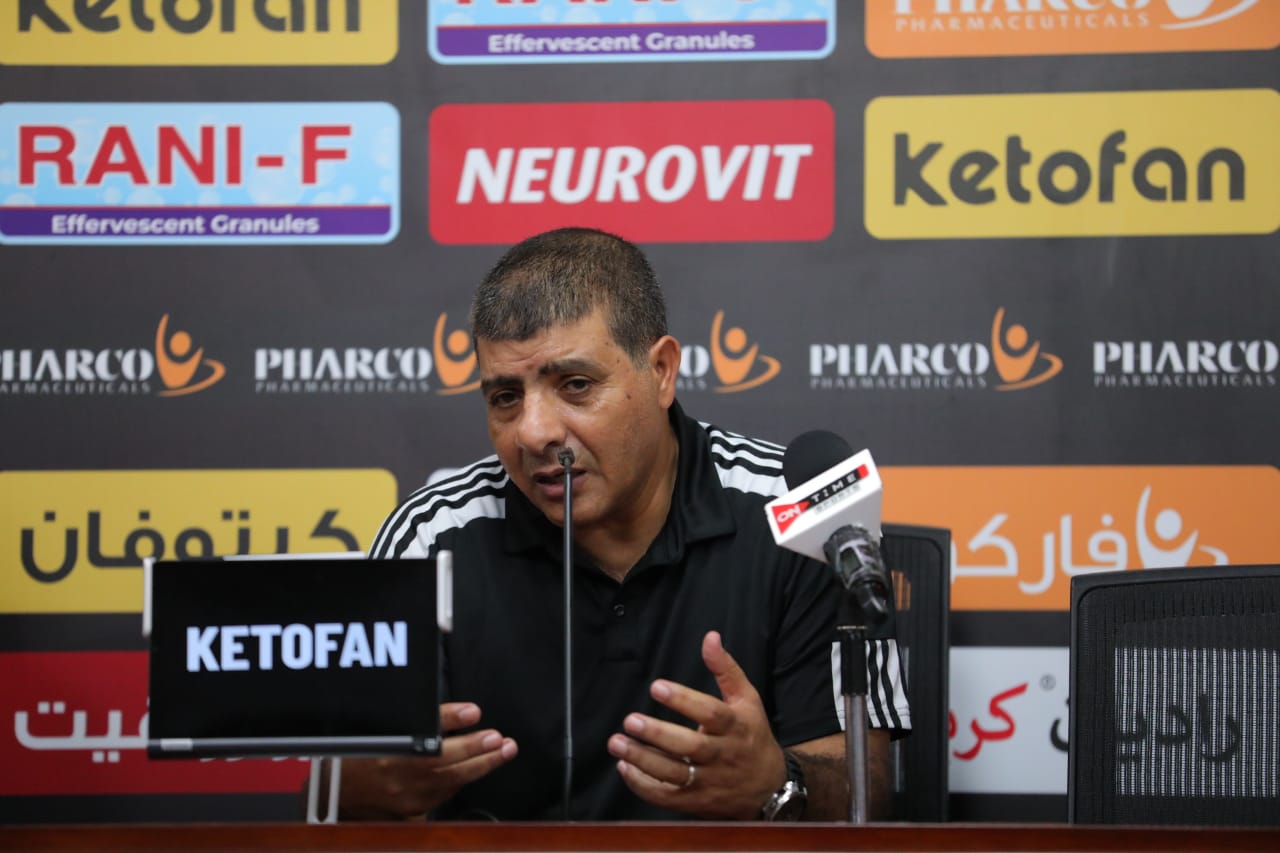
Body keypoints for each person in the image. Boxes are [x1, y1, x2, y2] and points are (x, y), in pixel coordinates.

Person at [337, 227, 910, 821]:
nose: (533, 432)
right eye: (505, 397)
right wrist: (361, 786)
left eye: (575, 386)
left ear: (661, 371)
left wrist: (777, 784)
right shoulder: (430, 538)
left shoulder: (800, 515)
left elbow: (867, 793)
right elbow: (341, 792)